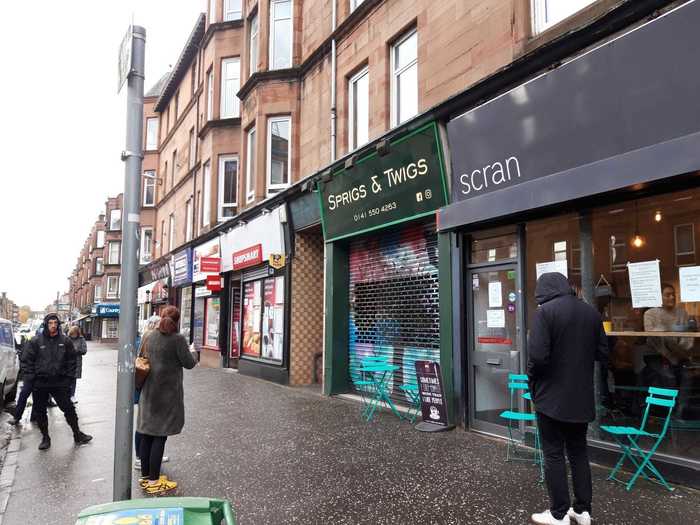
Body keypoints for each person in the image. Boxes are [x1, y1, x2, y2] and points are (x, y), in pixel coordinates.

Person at [527, 273, 608, 525]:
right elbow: (603, 353)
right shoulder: (591, 314)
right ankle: (583, 511)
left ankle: (558, 513)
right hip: (581, 398)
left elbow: (538, 357)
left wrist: (533, 381)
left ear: (543, 290)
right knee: (578, 452)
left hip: (551, 399)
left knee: (553, 454)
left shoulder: (545, 313)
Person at [137, 306, 196, 495]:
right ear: (177, 321)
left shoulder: (147, 336)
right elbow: (189, 363)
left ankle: (146, 477)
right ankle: (154, 480)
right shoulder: (177, 339)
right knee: (160, 436)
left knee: (147, 434)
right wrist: (194, 351)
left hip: (148, 392)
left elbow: (140, 359)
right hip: (167, 395)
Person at [22, 313, 93, 450]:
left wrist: (68, 379)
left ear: (58, 325)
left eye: (55, 323)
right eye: (50, 323)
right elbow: (26, 361)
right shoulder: (36, 341)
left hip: (59, 382)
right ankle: (45, 437)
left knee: (69, 408)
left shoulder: (65, 341)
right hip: (40, 383)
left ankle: (77, 434)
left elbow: (72, 361)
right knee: (40, 411)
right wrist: (32, 378)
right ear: (46, 324)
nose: (53, 325)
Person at [133, 315, 169, 470]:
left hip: (144, 385)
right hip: (147, 385)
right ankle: (141, 457)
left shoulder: (146, 338)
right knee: (145, 424)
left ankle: (144, 456)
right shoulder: (150, 338)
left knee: (146, 422)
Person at [67, 326, 87, 403]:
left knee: (73, 380)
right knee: (66, 379)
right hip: (67, 362)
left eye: (75, 334)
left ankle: (72, 395)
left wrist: (76, 350)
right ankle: (66, 395)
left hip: (77, 362)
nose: (73, 335)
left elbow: (84, 350)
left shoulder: (81, 339)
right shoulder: (67, 338)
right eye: (72, 334)